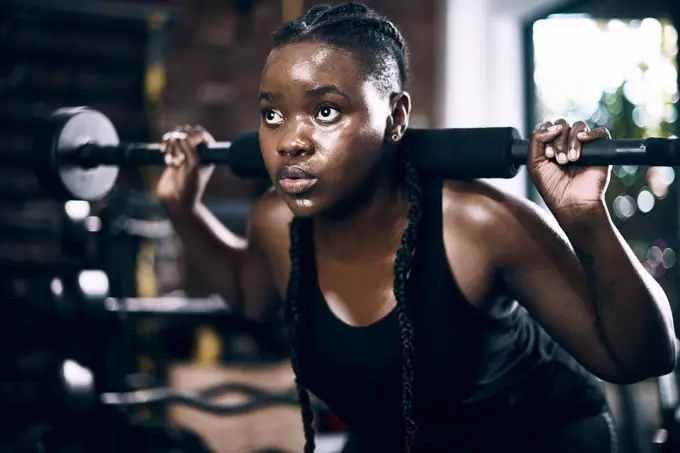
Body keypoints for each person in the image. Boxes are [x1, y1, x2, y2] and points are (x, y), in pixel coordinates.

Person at [156, 3, 676, 452]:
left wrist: (586, 219)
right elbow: (253, 298)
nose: (291, 141)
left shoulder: (477, 224)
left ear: (396, 117)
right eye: (272, 116)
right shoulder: (275, 220)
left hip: (535, 439)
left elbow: (639, 357)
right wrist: (184, 210)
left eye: (326, 111)